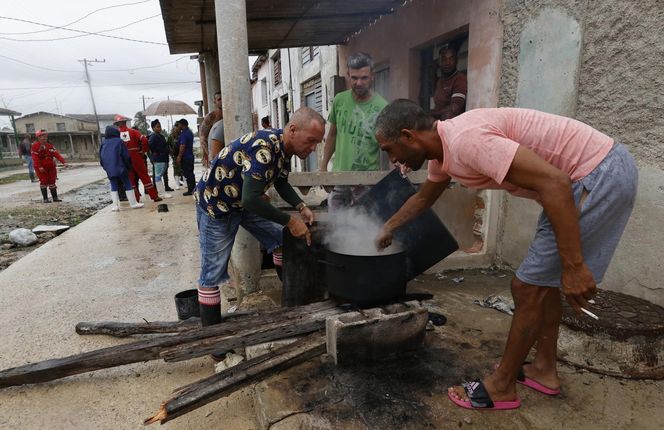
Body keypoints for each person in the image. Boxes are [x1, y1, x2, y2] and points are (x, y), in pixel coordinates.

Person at [373, 99, 637, 411]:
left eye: (389, 149)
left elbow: (555, 182)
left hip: (596, 174)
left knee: (526, 288)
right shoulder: (444, 154)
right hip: (586, 176)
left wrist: (574, 265)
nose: (391, 159)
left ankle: (501, 386)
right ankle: (544, 370)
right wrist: (388, 227)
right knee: (542, 285)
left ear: (408, 136)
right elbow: (424, 198)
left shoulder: (466, 141)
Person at [194, 107, 324, 335]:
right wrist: (290, 221)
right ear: (293, 130)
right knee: (211, 273)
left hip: (243, 201)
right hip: (217, 204)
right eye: (311, 141)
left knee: (281, 240)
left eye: (317, 143)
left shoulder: (283, 148)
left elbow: (281, 182)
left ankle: (290, 302)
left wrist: (300, 206)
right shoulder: (265, 147)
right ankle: (211, 340)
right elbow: (251, 198)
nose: (313, 149)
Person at [321, 52, 388, 210]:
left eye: (364, 78)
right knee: (337, 228)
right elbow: (332, 135)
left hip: (366, 182)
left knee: (364, 228)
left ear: (372, 75)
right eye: (354, 77)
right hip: (339, 179)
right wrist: (323, 168)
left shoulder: (383, 107)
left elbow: (388, 146)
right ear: (348, 75)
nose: (359, 83)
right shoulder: (339, 100)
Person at [114, 114, 162, 203]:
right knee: (144, 176)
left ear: (117, 124)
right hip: (136, 156)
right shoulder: (133, 132)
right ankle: (154, 196)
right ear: (125, 122)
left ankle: (135, 199)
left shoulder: (116, 135)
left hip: (125, 159)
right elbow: (144, 140)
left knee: (130, 180)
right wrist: (143, 151)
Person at [99, 125, 144, 210]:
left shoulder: (103, 143)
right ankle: (133, 204)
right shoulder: (119, 141)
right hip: (121, 167)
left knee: (113, 185)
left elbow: (101, 158)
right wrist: (129, 166)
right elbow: (125, 156)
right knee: (127, 183)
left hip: (110, 169)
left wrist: (106, 167)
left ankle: (115, 206)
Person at [429, 46, 467, 120]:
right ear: (439, 62)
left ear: (456, 61)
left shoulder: (459, 78)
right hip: (438, 120)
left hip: (451, 122)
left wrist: (432, 113)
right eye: (444, 59)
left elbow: (455, 107)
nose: (447, 63)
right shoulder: (440, 80)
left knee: (448, 115)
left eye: (451, 59)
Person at [31, 130, 67, 203]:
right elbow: (35, 158)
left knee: (52, 181)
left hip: (51, 166)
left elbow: (56, 154)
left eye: (45, 136)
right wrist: (39, 166)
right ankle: (45, 199)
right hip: (41, 167)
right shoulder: (35, 146)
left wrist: (63, 162)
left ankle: (55, 198)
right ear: (38, 137)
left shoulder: (49, 146)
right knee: (44, 181)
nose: (45, 138)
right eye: (42, 136)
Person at [148, 119, 172, 199]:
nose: (159, 128)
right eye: (157, 127)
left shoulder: (159, 136)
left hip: (162, 158)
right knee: (158, 176)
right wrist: (156, 153)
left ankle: (161, 192)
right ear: (153, 128)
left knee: (159, 175)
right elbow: (150, 146)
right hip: (159, 159)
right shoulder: (153, 136)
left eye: (160, 126)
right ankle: (161, 193)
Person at [199, 90, 223, 168]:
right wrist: (209, 155)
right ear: (215, 102)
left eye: (223, 98)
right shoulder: (211, 117)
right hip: (215, 153)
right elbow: (202, 139)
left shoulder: (232, 114)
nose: (222, 101)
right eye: (219, 99)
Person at [176, 118, 196, 196]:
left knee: (188, 174)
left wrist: (179, 156)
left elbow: (182, 145)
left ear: (182, 125)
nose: (178, 126)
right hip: (190, 156)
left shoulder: (184, 134)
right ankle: (193, 188)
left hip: (186, 157)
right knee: (191, 173)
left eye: (179, 124)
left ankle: (190, 190)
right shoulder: (189, 132)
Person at [168, 122, 182, 190]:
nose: (179, 129)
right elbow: (168, 145)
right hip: (175, 155)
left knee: (182, 168)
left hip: (181, 154)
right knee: (176, 169)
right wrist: (171, 153)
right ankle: (177, 183)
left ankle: (182, 181)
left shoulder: (181, 134)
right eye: (178, 127)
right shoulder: (171, 136)